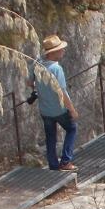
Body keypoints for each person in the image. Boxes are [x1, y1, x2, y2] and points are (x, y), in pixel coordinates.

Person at [27, 34, 79, 172]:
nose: (63, 51)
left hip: (45, 109)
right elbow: (62, 92)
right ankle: (66, 161)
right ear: (54, 52)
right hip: (59, 109)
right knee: (72, 128)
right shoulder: (56, 69)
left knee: (50, 137)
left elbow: (28, 82)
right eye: (61, 49)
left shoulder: (37, 64)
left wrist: (38, 90)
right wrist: (72, 110)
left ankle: (53, 166)